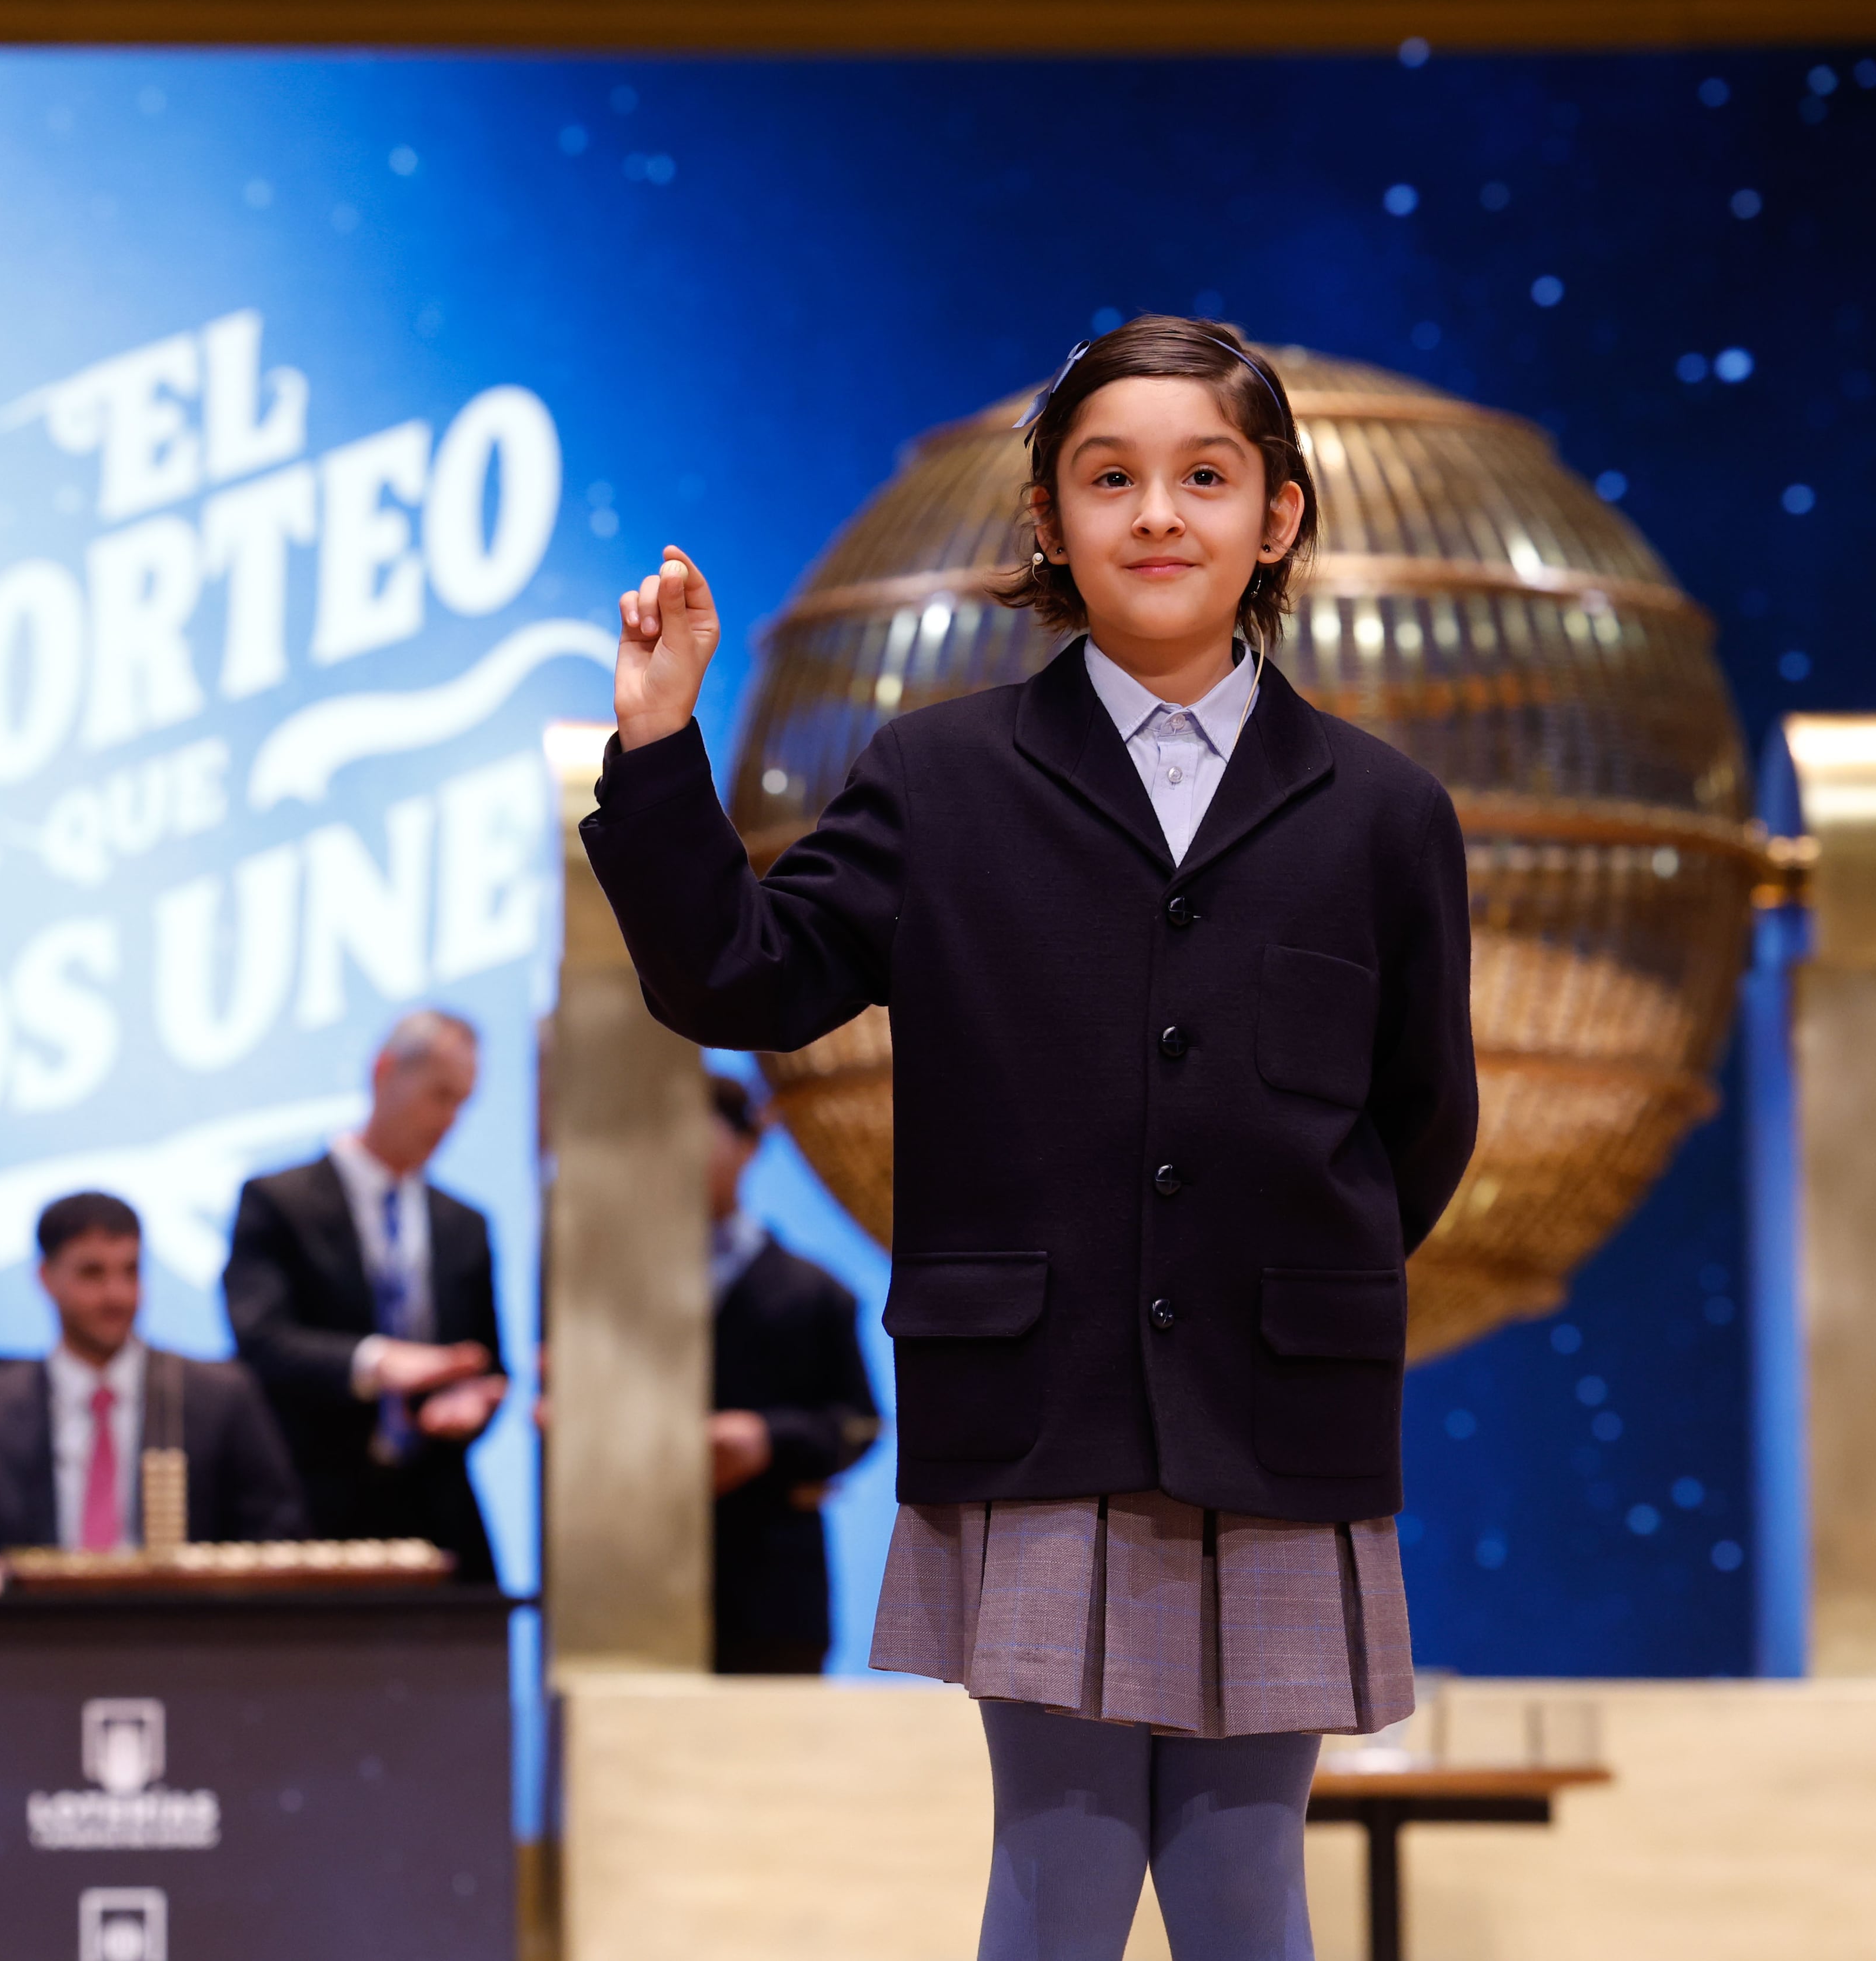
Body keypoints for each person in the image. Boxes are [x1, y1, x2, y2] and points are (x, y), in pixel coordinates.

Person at [581, 317, 1475, 1959]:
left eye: (1205, 478)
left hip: (1277, 1418)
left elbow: (1421, 1122)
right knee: (1057, 1873)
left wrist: (1284, 1286)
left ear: (1277, 516)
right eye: (1111, 477)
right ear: (1048, 523)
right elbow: (745, 978)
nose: (1159, 514)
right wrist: (656, 749)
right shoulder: (942, 776)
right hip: (1039, 1406)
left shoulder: (1384, 810)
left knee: (1242, 1879)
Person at [0, 1191, 305, 1599]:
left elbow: (283, 1547)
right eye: (92, 1273)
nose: (117, 1295)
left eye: (131, 1271)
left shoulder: (219, 1396)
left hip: (183, 1649)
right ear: (46, 1278)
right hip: (35, 1652)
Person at [223, 1010, 508, 1583]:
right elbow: (260, 1340)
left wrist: (470, 1403)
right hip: (310, 1507)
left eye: (462, 1103)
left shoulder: (463, 1223)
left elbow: (486, 1362)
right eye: (439, 1096)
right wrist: (378, 1362)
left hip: (437, 1513)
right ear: (384, 1073)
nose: (449, 1120)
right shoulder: (278, 1202)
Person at [701, 1074, 879, 1676]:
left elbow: (859, 1424)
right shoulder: (614, 1292)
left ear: (746, 1145)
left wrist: (766, 1439)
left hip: (774, 1590)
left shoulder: (814, 1290)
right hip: (632, 1588)